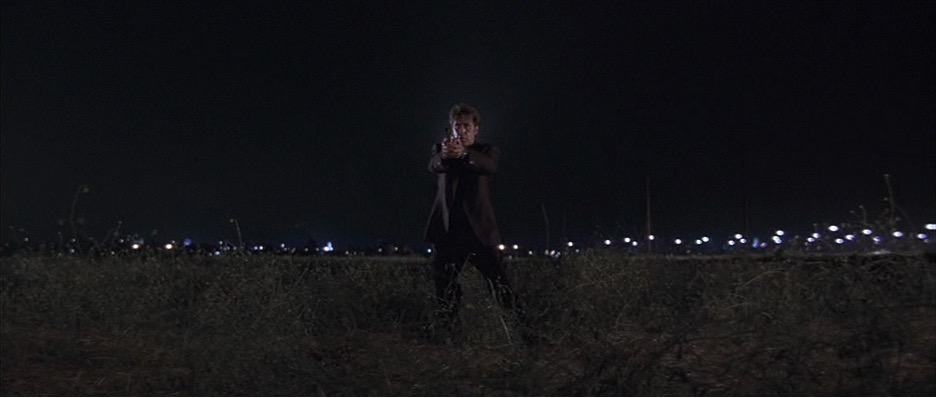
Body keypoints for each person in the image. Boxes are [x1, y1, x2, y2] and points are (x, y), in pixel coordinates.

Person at [424, 103, 518, 333]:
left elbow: (489, 166)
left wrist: (465, 154)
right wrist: (446, 156)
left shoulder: (487, 151)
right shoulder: (441, 149)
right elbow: (434, 165)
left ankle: (526, 333)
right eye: (458, 126)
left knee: (500, 286)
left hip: (479, 233)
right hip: (450, 233)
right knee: (444, 286)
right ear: (451, 128)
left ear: (476, 129)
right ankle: (449, 336)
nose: (462, 131)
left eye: (467, 126)